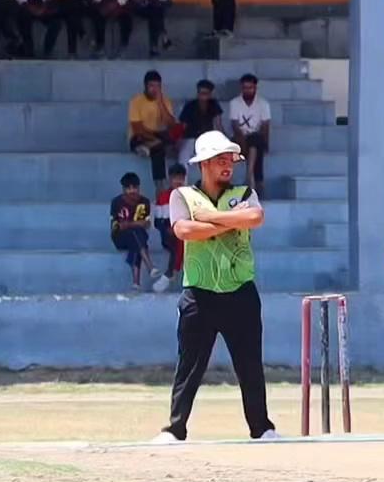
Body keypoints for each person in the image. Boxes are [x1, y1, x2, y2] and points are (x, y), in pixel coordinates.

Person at [153, 130, 278, 443]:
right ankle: (175, 428)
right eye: (220, 160)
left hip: (240, 291)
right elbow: (184, 230)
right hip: (200, 292)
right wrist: (228, 220)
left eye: (230, 160)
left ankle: (261, 428)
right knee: (189, 366)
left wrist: (211, 217)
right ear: (204, 164)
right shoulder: (183, 196)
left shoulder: (244, 192)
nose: (228, 166)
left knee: (249, 365)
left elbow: (256, 218)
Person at [128, 70, 179, 192]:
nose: (154, 89)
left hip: (157, 134)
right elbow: (137, 128)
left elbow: (171, 124)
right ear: (145, 86)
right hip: (140, 135)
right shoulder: (136, 101)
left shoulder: (164, 100)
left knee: (169, 138)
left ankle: (148, 148)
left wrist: (160, 103)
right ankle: (160, 186)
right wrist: (155, 140)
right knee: (159, 147)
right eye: (151, 86)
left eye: (157, 86)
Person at [110, 172, 158, 292]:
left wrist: (129, 224)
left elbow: (146, 224)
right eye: (128, 188)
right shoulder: (116, 202)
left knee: (135, 238)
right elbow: (117, 227)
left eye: (134, 187)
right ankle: (150, 266)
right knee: (135, 233)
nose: (132, 191)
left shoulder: (144, 202)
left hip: (138, 236)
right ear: (123, 189)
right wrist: (134, 224)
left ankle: (136, 283)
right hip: (119, 238)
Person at [229, 73, 271, 197]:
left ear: (255, 88)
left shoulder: (263, 104)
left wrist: (266, 143)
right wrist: (243, 141)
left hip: (256, 137)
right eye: (245, 88)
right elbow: (235, 125)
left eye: (250, 88)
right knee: (253, 145)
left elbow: (265, 126)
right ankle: (256, 180)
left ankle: (249, 176)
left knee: (255, 140)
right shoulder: (234, 103)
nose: (247, 90)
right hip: (239, 137)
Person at [152, 164, 187, 293]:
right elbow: (157, 221)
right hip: (168, 233)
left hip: (184, 230)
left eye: (181, 178)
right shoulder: (163, 197)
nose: (178, 181)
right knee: (176, 241)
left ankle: (171, 272)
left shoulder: (190, 197)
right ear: (170, 179)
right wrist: (168, 228)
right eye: (175, 178)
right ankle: (171, 272)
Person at [179, 79, 225, 167]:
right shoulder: (189, 106)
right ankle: (182, 180)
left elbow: (218, 125)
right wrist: (178, 141)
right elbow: (182, 126)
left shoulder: (214, 104)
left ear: (210, 94)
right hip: (190, 138)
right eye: (200, 93)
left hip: (207, 139)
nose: (202, 96)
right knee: (183, 155)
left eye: (205, 93)